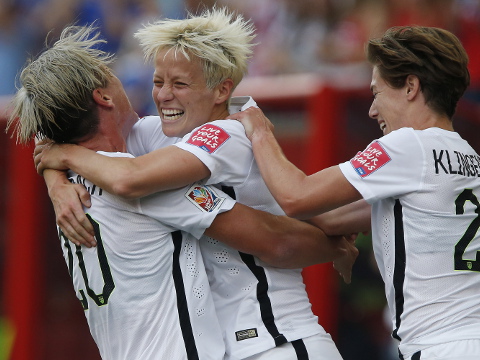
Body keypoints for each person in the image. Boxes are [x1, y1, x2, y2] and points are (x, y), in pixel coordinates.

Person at [9, 25, 355, 360]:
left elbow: (79, 141)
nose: (161, 94)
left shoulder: (224, 134)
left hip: (277, 337)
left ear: (221, 91)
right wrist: (55, 174)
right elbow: (93, 150)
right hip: (235, 344)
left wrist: (59, 165)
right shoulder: (134, 165)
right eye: (158, 81)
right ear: (102, 96)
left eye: (180, 83)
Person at [228, 26, 480, 360]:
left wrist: (259, 131)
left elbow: (296, 197)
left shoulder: (408, 145)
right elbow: (332, 217)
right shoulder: (470, 158)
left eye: (377, 93)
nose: (373, 110)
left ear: (410, 86)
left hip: (438, 346)